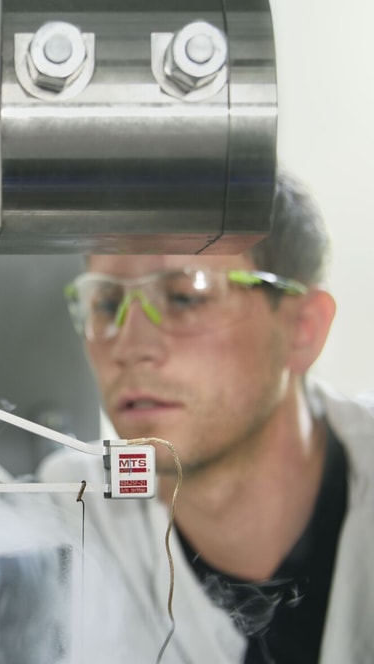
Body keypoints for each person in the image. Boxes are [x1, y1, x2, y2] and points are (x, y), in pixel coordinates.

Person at [39, 173, 374, 662]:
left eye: (184, 297)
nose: (128, 347)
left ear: (303, 329)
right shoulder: (73, 517)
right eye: (107, 302)